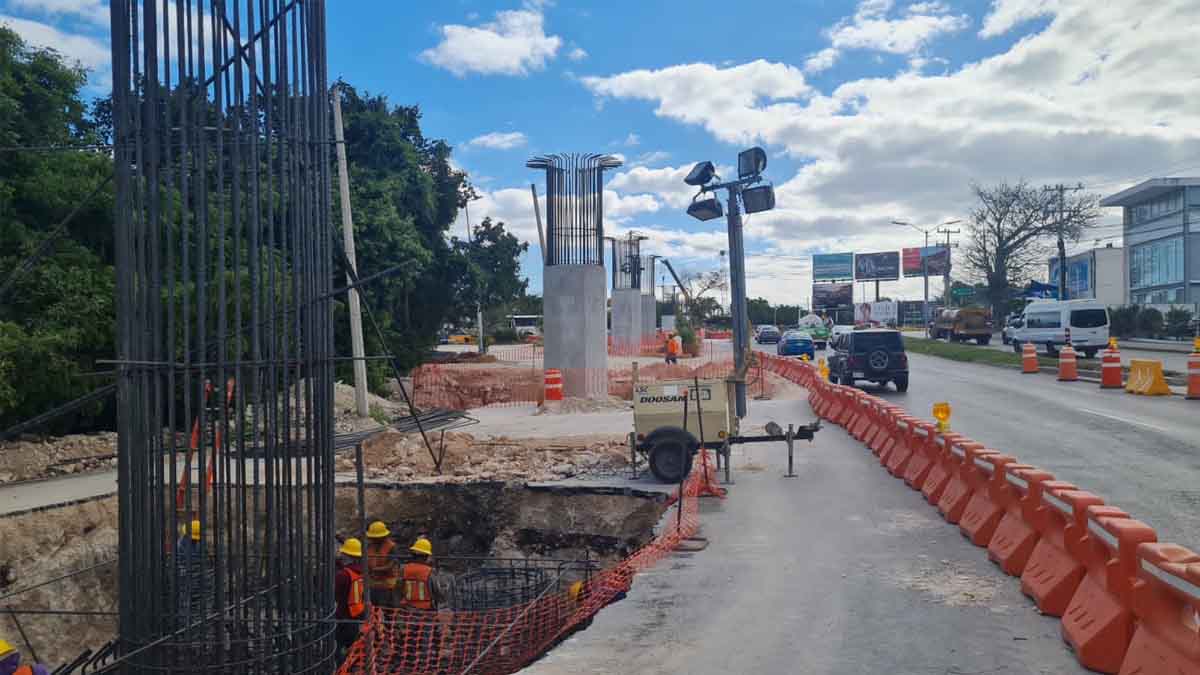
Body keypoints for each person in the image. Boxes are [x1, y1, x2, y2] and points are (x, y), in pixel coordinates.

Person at [334, 538, 366, 656]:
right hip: (357, 613)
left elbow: (336, 594)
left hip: (343, 615)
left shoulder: (343, 575)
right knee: (352, 647)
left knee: (338, 647)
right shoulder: (362, 572)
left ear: (347, 555)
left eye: (343, 553)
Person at [364, 520, 402, 607]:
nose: (373, 539)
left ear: (383, 536)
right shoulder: (369, 546)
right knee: (374, 612)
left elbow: (391, 565)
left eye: (375, 537)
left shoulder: (392, 547)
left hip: (388, 586)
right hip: (373, 585)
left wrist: (374, 569)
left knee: (389, 612)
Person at [400, 537, 439, 610]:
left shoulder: (404, 569)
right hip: (426, 610)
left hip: (407, 609)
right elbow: (437, 592)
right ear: (426, 556)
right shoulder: (430, 571)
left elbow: (398, 588)